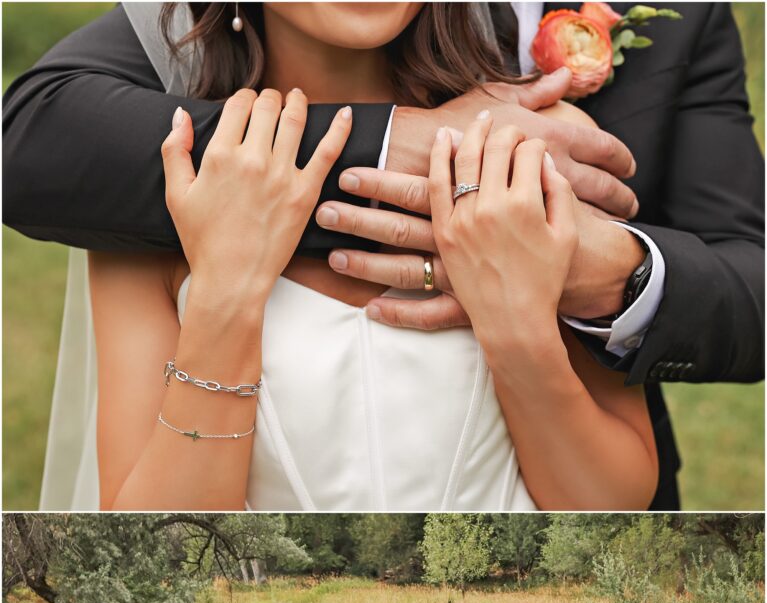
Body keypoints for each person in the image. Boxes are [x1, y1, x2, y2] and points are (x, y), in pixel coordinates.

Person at [3, 3, 762, 511]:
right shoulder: (165, 199)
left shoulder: (523, 158)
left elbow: (609, 499)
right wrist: (227, 297)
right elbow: (154, 529)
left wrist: (514, 322)